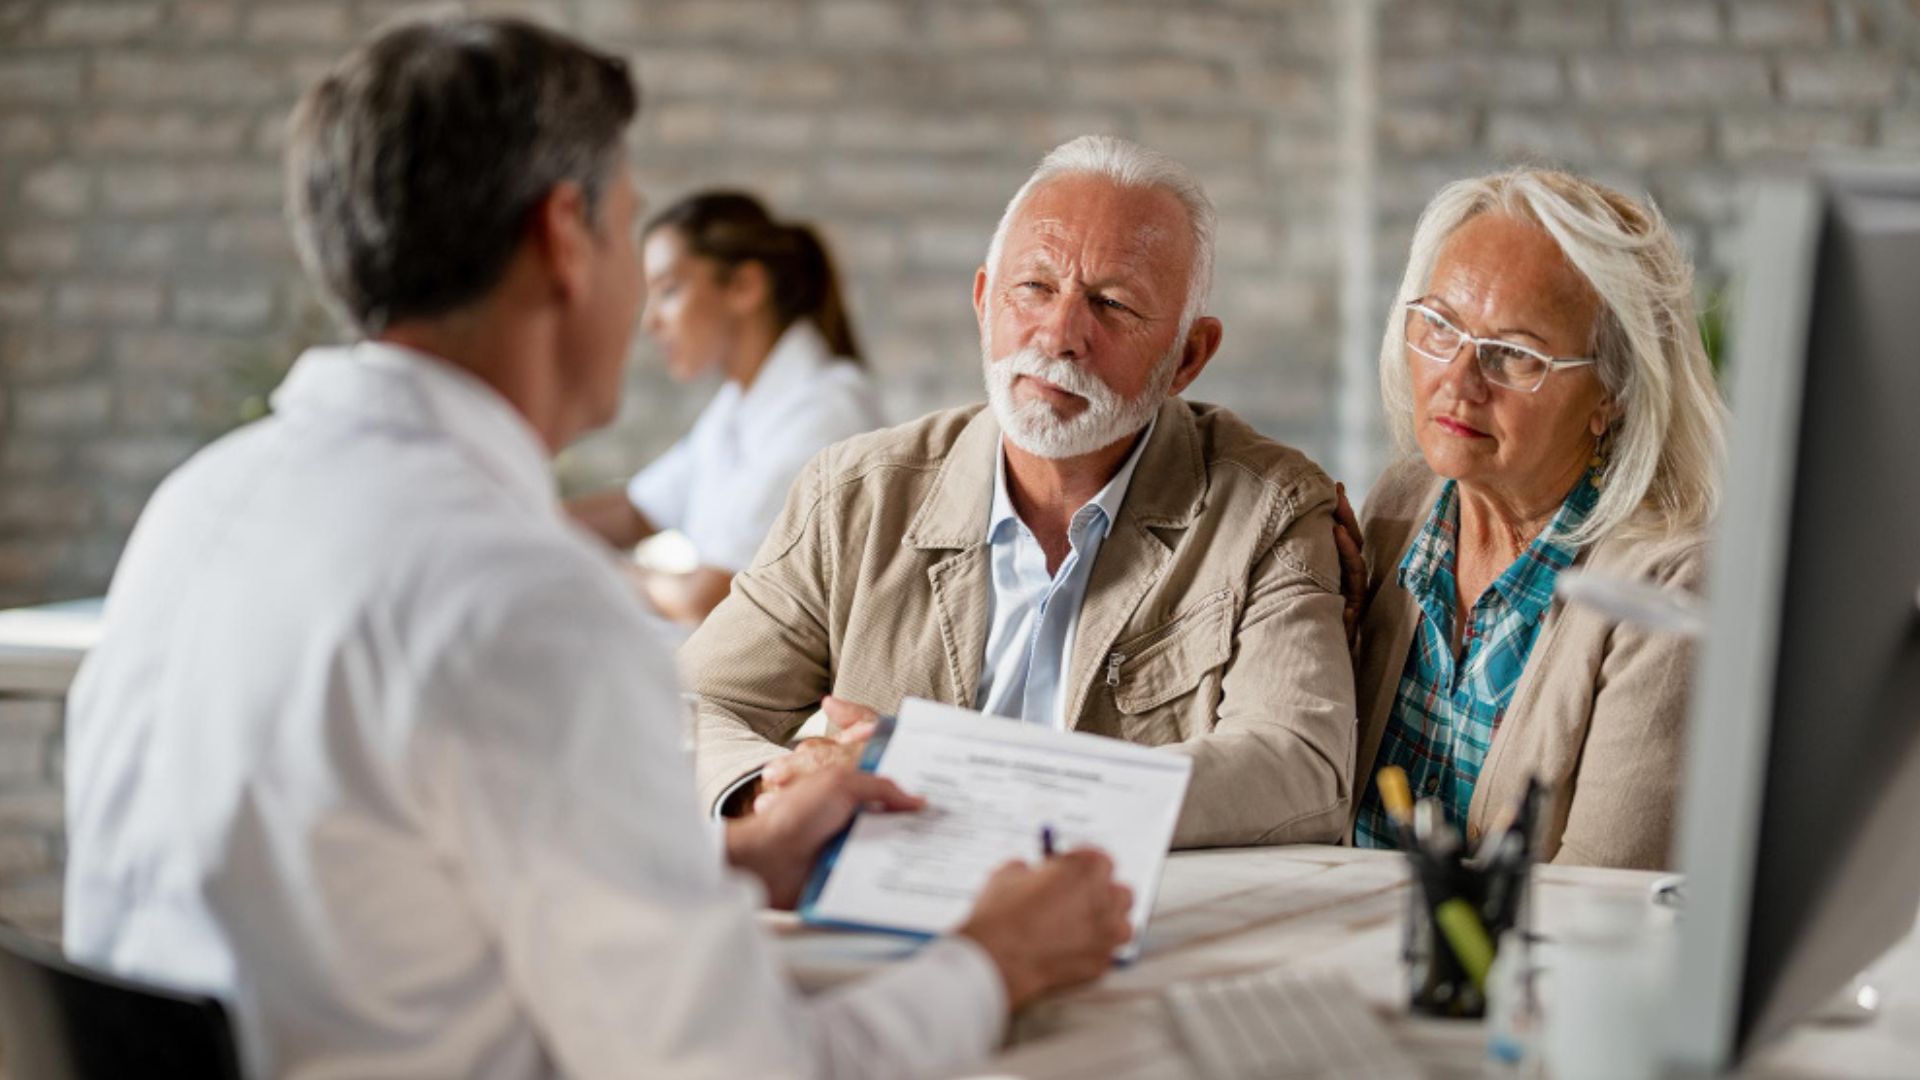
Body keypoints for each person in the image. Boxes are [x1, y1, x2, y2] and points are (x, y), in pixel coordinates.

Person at [61, 17, 1131, 1079]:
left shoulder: (198, 504)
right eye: (626, 230)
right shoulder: (523, 602)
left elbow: (381, 904)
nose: (644, 305)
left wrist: (730, 865)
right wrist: (996, 961)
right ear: (563, 238)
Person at [683, 136, 1357, 850]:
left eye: (1114, 303)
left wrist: (962, 784)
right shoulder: (854, 496)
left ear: (1187, 356)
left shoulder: (1269, 510)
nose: (1061, 334)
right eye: (1033, 288)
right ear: (983, 303)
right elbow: (690, 704)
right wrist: (773, 789)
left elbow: (1299, 769)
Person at [1346, 168, 1727, 870]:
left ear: (1611, 393)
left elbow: (1601, 900)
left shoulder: (1669, 584)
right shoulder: (1401, 504)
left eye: (1515, 354)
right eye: (1440, 326)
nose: (1458, 380)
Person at [567, 191, 885, 624]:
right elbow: (636, 509)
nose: (651, 321)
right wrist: (518, 519)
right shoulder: (739, 405)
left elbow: (705, 598)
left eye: (669, 290)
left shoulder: (823, 411)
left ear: (744, 287)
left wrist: (567, 562)